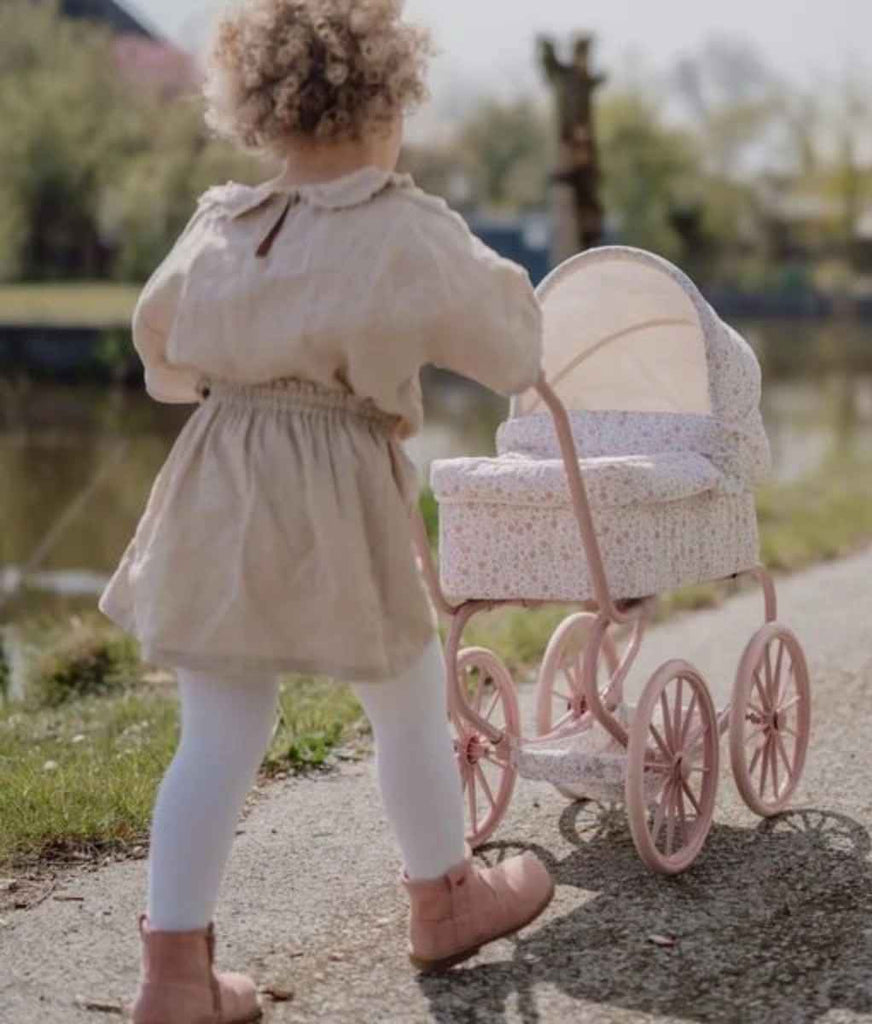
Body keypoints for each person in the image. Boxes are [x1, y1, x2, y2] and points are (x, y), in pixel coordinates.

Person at [99, 2, 553, 1020]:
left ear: (263, 113)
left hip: (220, 475)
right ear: (389, 100)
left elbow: (159, 345)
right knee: (403, 689)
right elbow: (512, 345)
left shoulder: (222, 221)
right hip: (337, 481)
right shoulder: (403, 227)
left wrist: (234, 384)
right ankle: (444, 897)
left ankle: (172, 973)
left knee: (215, 730)